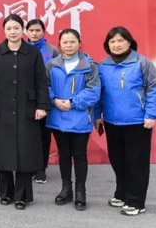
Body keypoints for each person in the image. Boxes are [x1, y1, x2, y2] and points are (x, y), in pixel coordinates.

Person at [0, 14, 50, 210]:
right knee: (3, 151)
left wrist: (42, 106)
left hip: (27, 108)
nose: (13, 32)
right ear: (4, 31)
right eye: (9, 28)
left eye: (16, 28)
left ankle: (22, 196)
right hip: (2, 108)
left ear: (23, 30)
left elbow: (41, 81)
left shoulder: (33, 53)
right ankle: (6, 193)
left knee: (25, 153)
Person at [94, 26, 156, 217]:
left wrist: (151, 115)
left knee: (136, 162)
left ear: (129, 42)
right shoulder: (103, 66)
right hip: (112, 121)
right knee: (118, 160)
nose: (116, 45)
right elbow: (98, 93)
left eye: (120, 41)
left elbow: (154, 89)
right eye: (112, 41)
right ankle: (121, 193)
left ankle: (136, 201)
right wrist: (97, 116)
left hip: (137, 122)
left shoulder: (142, 63)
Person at [45, 29, 100, 211]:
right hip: (57, 116)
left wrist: (72, 102)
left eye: (72, 42)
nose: (68, 45)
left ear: (79, 43)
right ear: (60, 44)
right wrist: (54, 100)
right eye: (65, 42)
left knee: (79, 154)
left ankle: (80, 190)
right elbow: (45, 85)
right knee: (64, 154)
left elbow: (93, 91)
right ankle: (66, 188)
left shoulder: (90, 65)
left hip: (80, 117)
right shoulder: (52, 64)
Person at [25, 18, 59, 184]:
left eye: (37, 30)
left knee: (43, 136)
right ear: (26, 32)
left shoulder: (52, 50)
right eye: (31, 30)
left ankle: (41, 169)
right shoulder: (21, 48)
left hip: (45, 97)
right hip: (25, 98)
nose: (34, 33)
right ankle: (28, 167)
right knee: (27, 135)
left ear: (43, 32)